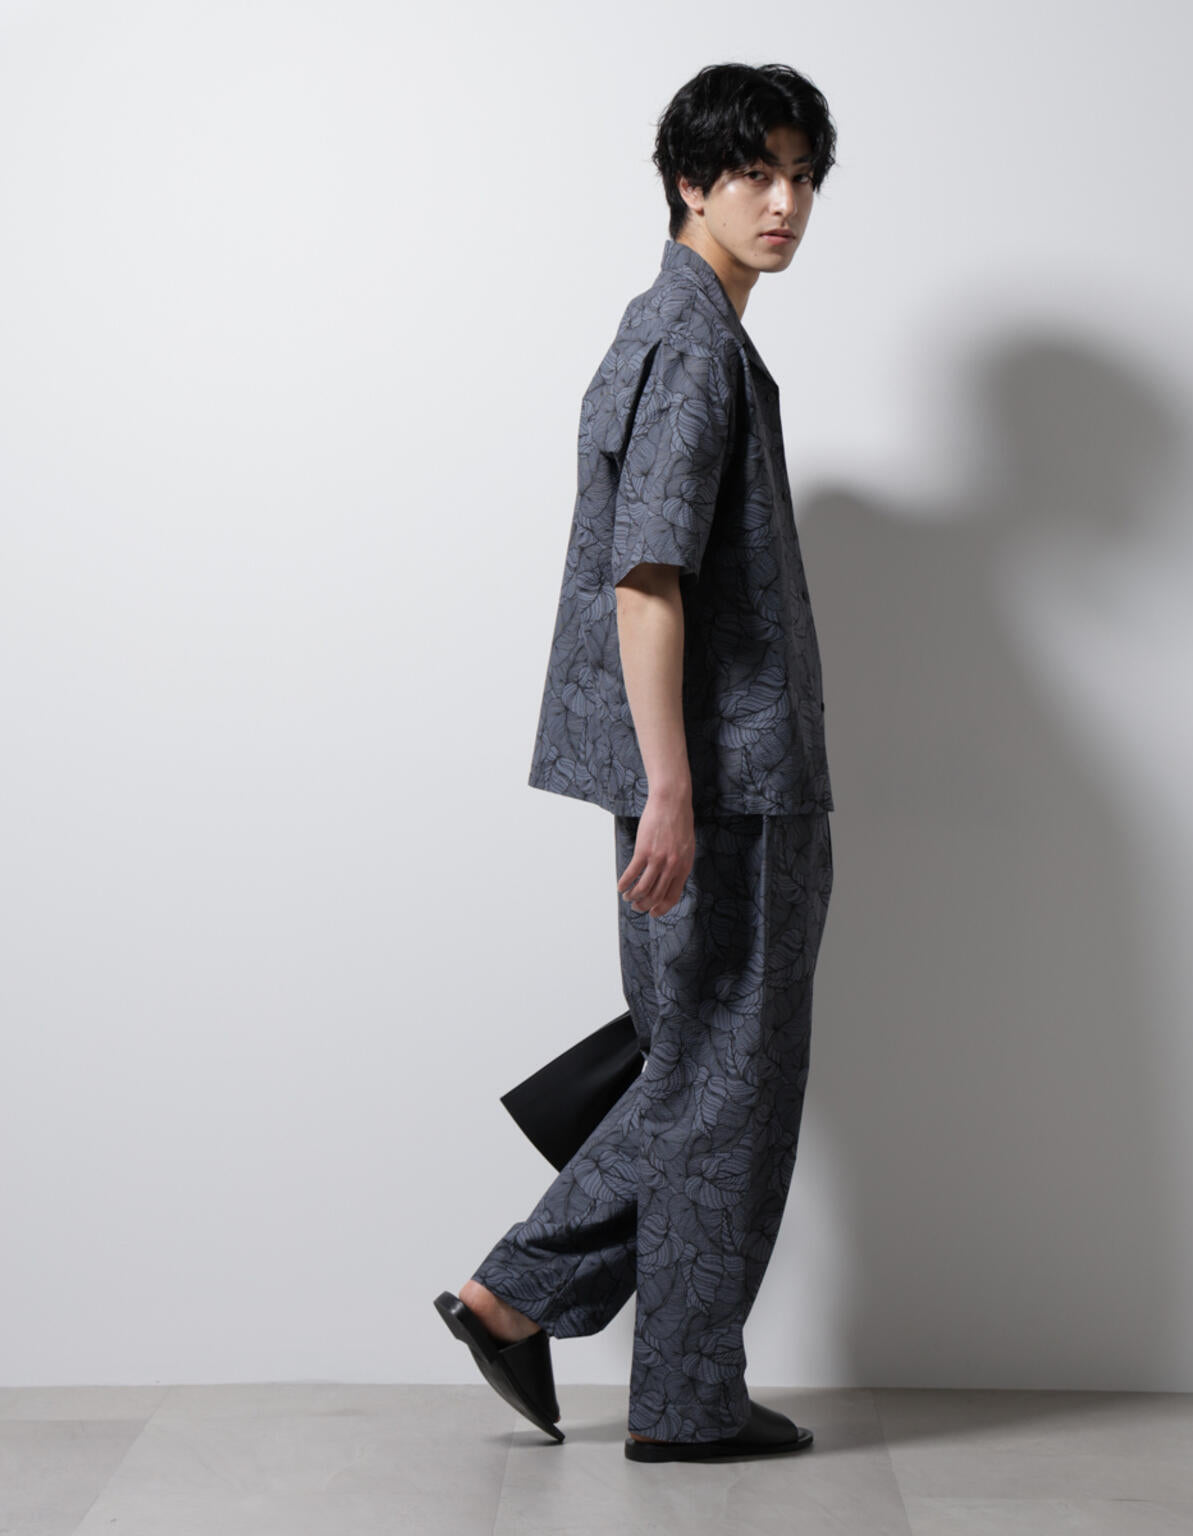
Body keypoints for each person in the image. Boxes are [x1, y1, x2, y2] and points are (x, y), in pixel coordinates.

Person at [436, 61, 838, 1464]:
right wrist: (672, 784)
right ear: (688, 182)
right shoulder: (690, 343)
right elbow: (646, 575)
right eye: (755, 173)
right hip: (725, 781)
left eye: (802, 177)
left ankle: (663, 1384)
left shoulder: (680, 330)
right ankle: (534, 1304)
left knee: (701, 1068)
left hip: (719, 773)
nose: (784, 203)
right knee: (724, 1082)